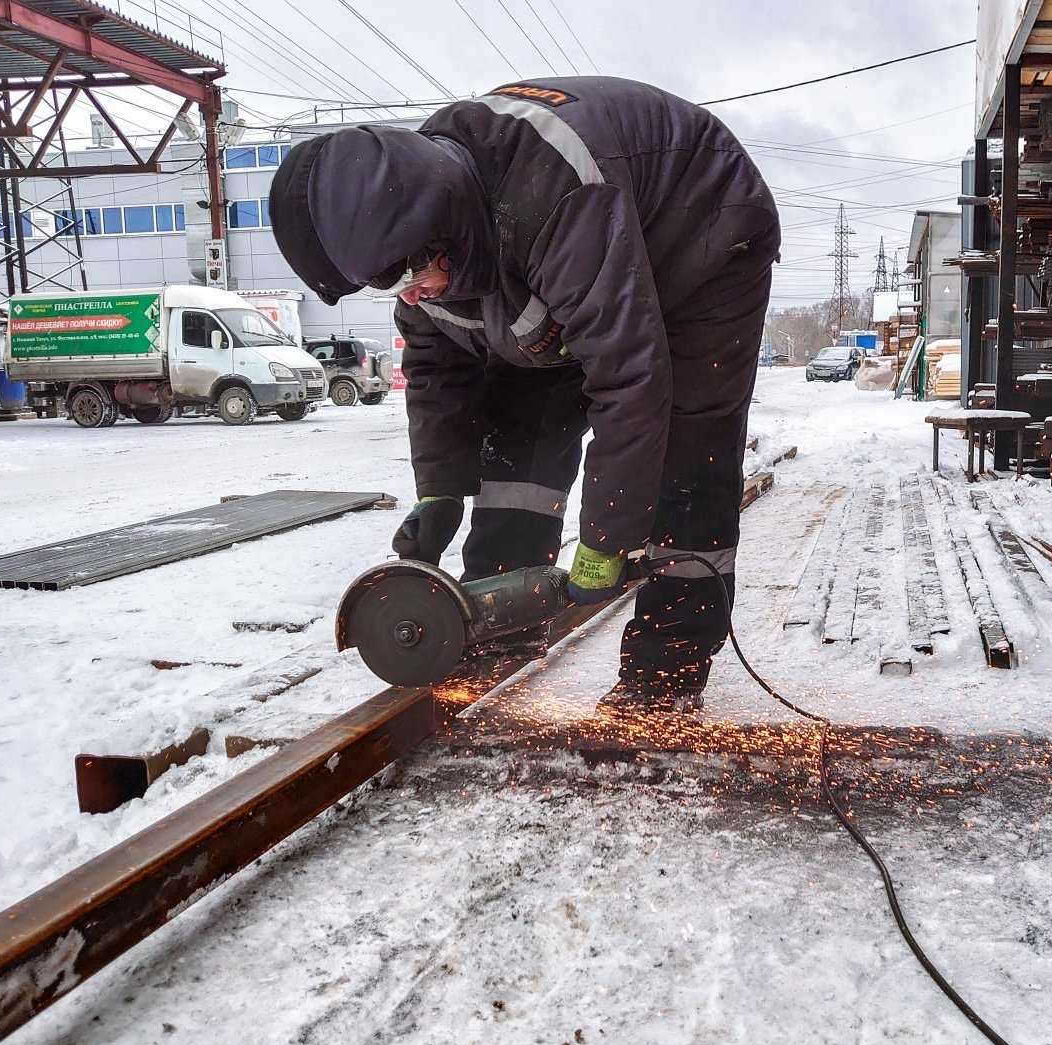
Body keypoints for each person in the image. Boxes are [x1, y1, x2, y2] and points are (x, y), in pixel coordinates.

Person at [270, 76, 780, 715]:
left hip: (701, 231)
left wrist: (606, 539)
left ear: (439, 227)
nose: (407, 295)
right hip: (548, 263)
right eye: (387, 285)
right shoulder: (418, 235)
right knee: (516, 430)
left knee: (688, 444)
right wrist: (440, 488)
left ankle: (666, 669)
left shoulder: (557, 198)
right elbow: (434, 375)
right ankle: (494, 629)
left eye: (407, 275)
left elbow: (630, 383)